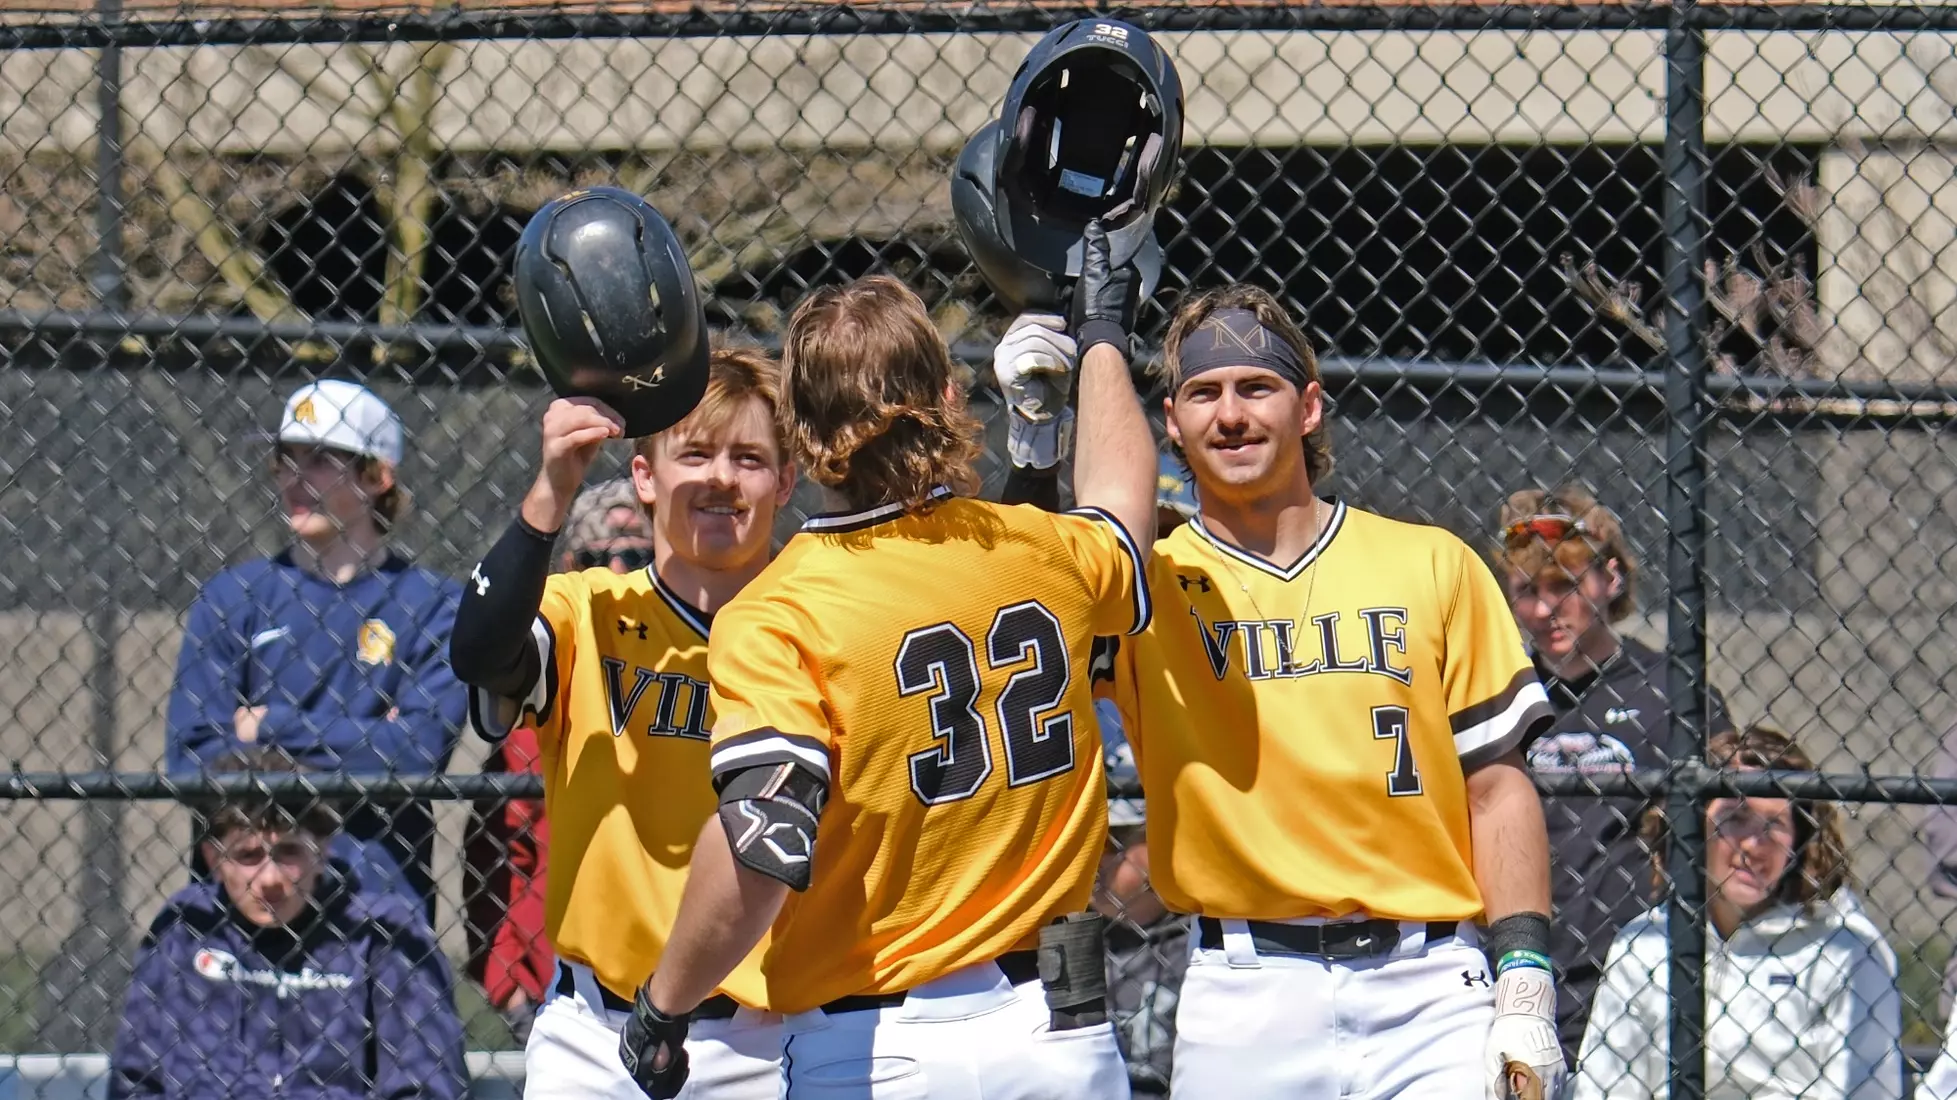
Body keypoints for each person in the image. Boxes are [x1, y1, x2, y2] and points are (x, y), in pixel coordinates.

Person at [627, 243, 1158, 1099]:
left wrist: (663, 1004)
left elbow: (763, 846)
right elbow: (1125, 514)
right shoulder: (1039, 548)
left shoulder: (779, 610)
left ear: (799, 430)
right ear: (948, 399)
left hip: (878, 1046)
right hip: (1058, 1035)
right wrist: (1101, 336)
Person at [1072, 283, 1561, 1100]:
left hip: (1431, 987)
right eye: (1202, 393)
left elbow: (1496, 787)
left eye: (1254, 387)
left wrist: (1524, 980)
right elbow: (1082, 530)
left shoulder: (1432, 562)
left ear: (1307, 407)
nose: (1229, 415)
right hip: (1243, 995)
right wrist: (1084, 361)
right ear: (1168, 421)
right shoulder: (1141, 587)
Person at [450, 347, 795, 1100]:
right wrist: (552, 489)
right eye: (694, 453)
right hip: (594, 1041)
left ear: (785, 480)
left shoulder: (817, 625)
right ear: (644, 475)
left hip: (769, 1039)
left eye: (749, 457)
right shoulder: (585, 611)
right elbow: (479, 651)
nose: (719, 478)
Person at [164, 379, 468, 922]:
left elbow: (417, 753)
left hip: (379, 903)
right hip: (245, 907)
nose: (295, 477)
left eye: (322, 459)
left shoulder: (435, 606)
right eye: (286, 459)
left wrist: (266, 727)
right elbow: (192, 760)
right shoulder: (234, 598)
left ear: (378, 476)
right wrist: (365, 740)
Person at [1491, 486, 1734, 1064]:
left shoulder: (1670, 691)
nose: (1545, 610)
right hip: (1514, 962)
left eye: (1564, 587)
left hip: (1631, 965)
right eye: (1527, 591)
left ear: (1612, 579)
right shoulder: (1499, 687)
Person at [109, 749, 468, 1100]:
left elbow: (427, 1083)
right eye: (248, 856)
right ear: (213, 858)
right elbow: (137, 1078)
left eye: (289, 853)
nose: (270, 878)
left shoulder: (382, 933)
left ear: (323, 849)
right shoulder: (184, 929)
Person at [1572, 725, 1903, 1100]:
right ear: (1693, 827)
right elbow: (1605, 1087)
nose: (1754, 844)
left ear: (1801, 838)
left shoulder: (1847, 950)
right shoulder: (1645, 942)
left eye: (1774, 824)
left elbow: (1869, 1091)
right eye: (1736, 818)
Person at [463, 478, 654, 1044]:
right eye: (600, 557)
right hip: (570, 992)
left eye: (637, 556)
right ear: (571, 564)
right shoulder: (541, 697)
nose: (618, 571)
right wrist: (508, 985)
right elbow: (493, 860)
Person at [1091, 455, 1201, 1097]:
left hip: (1173, 918)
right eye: (1142, 540)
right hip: (1078, 917)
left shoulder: (1207, 661)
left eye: (1169, 536)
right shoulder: (1080, 648)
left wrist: (1135, 871)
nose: (1153, 556)